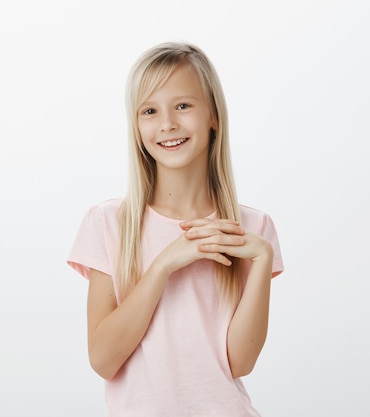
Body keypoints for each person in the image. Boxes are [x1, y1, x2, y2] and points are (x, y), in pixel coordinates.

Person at [66, 42, 284, 416]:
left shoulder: (251, 228)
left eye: (183, 105)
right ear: (136, 127)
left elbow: (239, 362)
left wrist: (263, 258)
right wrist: (165, 263)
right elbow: (103, 360)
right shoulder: (107, 223)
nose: (167, 123)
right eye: (149, 110)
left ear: (213, 115)